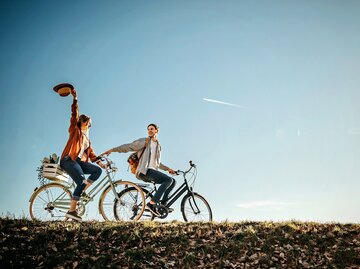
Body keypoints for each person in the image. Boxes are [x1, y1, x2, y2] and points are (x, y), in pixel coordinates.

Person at [102, 123, 176, 215]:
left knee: (173, 181)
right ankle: (151, 203)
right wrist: (113, 150)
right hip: (144, 171)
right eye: (148, 129)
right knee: (168, 180)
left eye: (152, 129)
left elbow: (157, 163)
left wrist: (168, 169)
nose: (149, 130)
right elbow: (128, 146)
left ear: (156, 131)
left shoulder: (158, 146)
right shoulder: (144, 141)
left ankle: (163, 206)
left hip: (152, 171)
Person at [60, 89, 106, 221]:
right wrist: (75, 100)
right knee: (81, 181)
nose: (90, 126)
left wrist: (101, 163)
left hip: (78, 162)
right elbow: (74, 114)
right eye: (89, 124)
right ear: (85, 122)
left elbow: (91, 154)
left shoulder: (86, 138)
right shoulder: (75, 130)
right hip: (69, 160)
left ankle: (82, 190)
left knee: (97, 171)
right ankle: (71, 211)